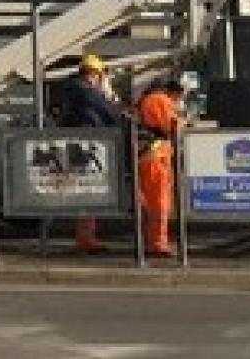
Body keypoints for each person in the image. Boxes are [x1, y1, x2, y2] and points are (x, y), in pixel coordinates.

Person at [58, 54, 123, 254]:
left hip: (79, 143)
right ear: (95, 74)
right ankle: (85, 239)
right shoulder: (88, 92)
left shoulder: (73, 89)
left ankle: (85, 237)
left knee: (86, 191)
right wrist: (110, 97)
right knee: (89, 190)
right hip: (89, 144)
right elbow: (111, 114)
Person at [135, 78, 186, 259]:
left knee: (150, 202)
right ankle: (157, 243)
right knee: (159, 201)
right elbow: (170, 125)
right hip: (156, 156)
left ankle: (152, 241)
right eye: (179, 99)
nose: (177, 103)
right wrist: (183, 123)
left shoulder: (148, 99)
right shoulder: (160, 100)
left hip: (149, 155)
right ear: (173, 92)